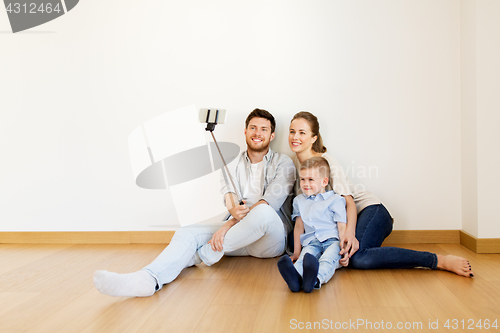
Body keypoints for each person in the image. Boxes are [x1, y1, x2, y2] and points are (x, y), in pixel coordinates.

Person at [93, 108, 296, 297]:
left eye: (263, 129)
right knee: (186, 232)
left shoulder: (283, 163)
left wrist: (227, 225)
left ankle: (202, 255)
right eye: (253, 128)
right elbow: (229, 195)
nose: (257, 133)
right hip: (237, 239)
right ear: (245, 131)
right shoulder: (232, 161)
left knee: (263, 214)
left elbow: (269, 204)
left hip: (269, 241)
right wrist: (232, 210)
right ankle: (149, 279)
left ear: (272, 135)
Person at [287, 111, 474, 277]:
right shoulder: (294, 165)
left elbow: (349, 201)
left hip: (369, 211)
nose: (295, 137)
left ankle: (437, 261)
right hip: (344, 221)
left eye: (302, 132)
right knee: (343, 256)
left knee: (358, 258)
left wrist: (350, 234)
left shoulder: (326, 161)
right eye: (292, 131)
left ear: (313, 138)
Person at [278, 156, 347, 293]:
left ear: (324, 181)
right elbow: (299, 226)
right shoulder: (299, 200)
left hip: (333, 241)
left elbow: (342, 226)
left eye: (310, 179)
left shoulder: (336, 200)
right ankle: (295, 279)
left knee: (327, 260)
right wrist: (297, 251)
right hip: (311, 242)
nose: (305, 183)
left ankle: (314, 280)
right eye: (302, 179)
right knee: (305, 257)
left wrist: (344, 249)